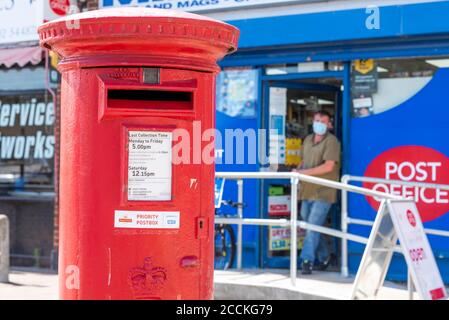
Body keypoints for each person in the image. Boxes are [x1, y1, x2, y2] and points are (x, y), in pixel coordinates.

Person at [293, 110, 341, 275]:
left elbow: (329, 166)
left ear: (329, 125)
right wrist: (297, 171)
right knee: (309, 224)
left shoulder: (332, 141)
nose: (319, 123)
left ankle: (307, 261)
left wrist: (304, 173)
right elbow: (304, 161)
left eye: (323, 121)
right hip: (307, 190)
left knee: (312, 225)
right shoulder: (307, 140)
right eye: (316, 120)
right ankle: (324, 256)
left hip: (323, 192)